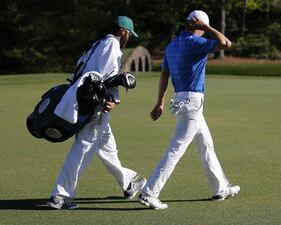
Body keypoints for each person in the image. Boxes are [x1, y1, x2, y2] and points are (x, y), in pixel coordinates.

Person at [138, 10, 240, 210]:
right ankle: (150, 192)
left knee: (205, 145)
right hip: (192, 103)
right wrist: (206, 28)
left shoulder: (172, 45)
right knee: (176, 149)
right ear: (199, 25)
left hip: (181, 100)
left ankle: (220, 188)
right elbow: (226, 43)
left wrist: (159, 102)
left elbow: (164, 76)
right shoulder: (195, 42)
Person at [47, 16, 146, 210]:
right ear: (123, 31)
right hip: (93, 107)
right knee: (82, 150)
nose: (129, 40)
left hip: (82, 100)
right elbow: (100, 80)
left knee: (109, 149)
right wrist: (109, 100)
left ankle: (128, 183)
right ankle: (60, 196)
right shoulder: (112, 45)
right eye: (129, 35)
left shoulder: (98, 43)